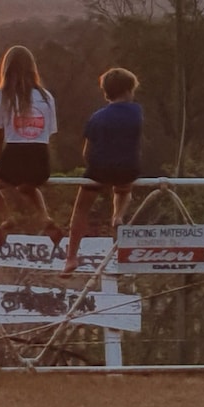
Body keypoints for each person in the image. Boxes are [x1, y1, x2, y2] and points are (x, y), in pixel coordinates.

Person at [60, 67, 143, 276]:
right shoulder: (136, 113)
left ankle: (71, 257)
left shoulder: (97, 117)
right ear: (128, 90)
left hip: (99, 168)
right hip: (127, 168)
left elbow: (87, 151)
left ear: (107, 92)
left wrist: (95, 168)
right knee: (124, 190)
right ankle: (118, 216)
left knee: (81, 209)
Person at [0, 45, 63, 248]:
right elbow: (50, 133)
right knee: (28, 184)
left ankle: (6, 218)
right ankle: (45, 218)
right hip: (41, 164)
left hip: (13, 158)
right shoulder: (47, 97)